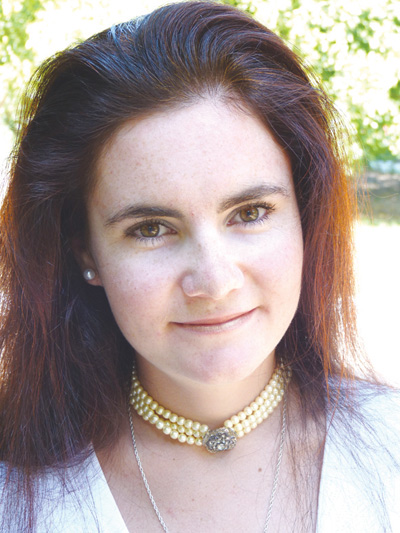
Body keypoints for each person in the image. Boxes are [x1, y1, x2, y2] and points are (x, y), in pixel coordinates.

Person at [0, 1, 399, 531]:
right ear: (86, 253)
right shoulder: (14, 489)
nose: (214, 282)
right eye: (150, 228)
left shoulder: (391, 445)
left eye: (250, 213)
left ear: (305, 217)